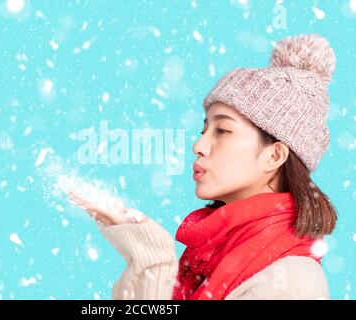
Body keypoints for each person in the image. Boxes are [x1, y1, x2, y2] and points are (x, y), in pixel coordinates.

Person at [65, 33, 338, 300]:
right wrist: (144, 253)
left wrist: (155, 258)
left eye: (222, 130)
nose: (199, 145)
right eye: (204, 129)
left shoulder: (292, 284)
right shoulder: (211, 255)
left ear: (274, 156)